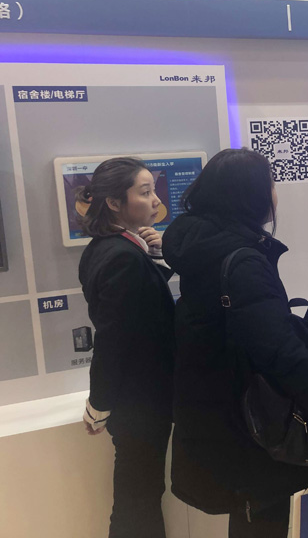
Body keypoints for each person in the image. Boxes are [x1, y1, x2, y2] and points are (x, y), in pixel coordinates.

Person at [162, 148, 308, 538]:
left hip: (217, 414)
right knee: (262, 517)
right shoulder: (242, 260)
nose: (275, 194)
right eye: (271, 184)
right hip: (250, 424)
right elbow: (278, 348)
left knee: (248, 515)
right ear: (250, 195)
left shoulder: (204, 246)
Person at [77, 157, 175, 538]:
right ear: (115, 203)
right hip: (140, 402)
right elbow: (114, 339)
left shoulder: (108, 248)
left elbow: (139, 307)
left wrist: (156, 258)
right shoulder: (123, 257)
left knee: (141, 497)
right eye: (145, 192)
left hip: (138, 400)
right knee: (138, 502)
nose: (156, 200)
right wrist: (99, 404)